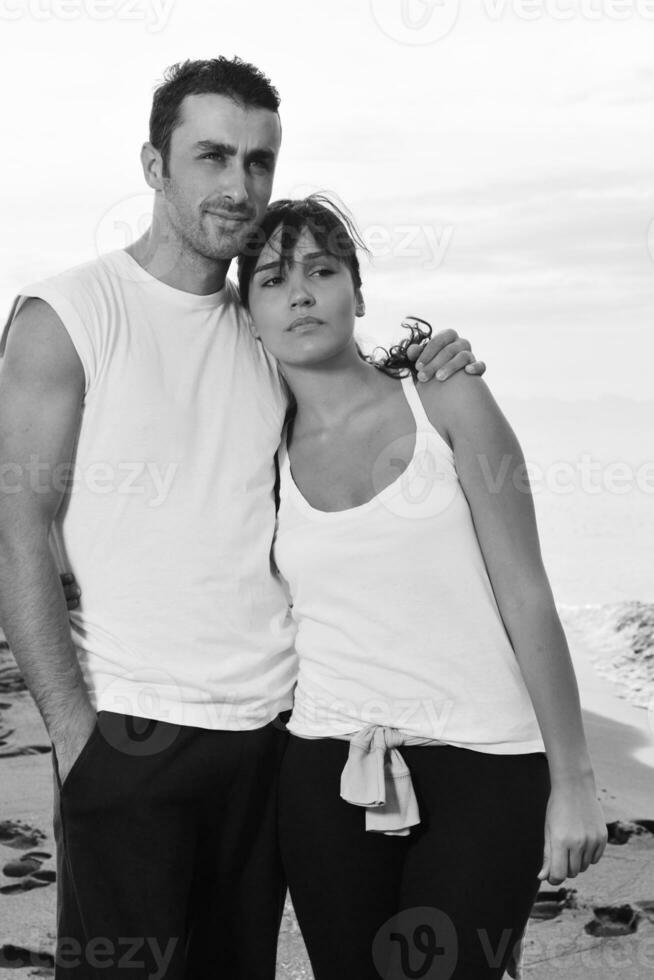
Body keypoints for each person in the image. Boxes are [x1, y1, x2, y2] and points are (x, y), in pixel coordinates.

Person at [0, 59, 484, 978]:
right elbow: (13, 526)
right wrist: (72, 733)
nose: (239, 186)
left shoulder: (264, 325)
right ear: (154, 166)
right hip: (129, 731)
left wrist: (433, 359)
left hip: (272, 736)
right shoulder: (67, 315)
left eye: (259, 161)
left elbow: (354, 389)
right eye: (213, 156)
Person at [234, 195, 609, 980]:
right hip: (328, 773)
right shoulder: (257, 455)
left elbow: (526, 592)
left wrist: (573, 779)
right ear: (251, 315)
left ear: (357, 294)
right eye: (272, 279)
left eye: (321, 270)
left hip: (486, 765)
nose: (299, 292)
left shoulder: (446, 399)